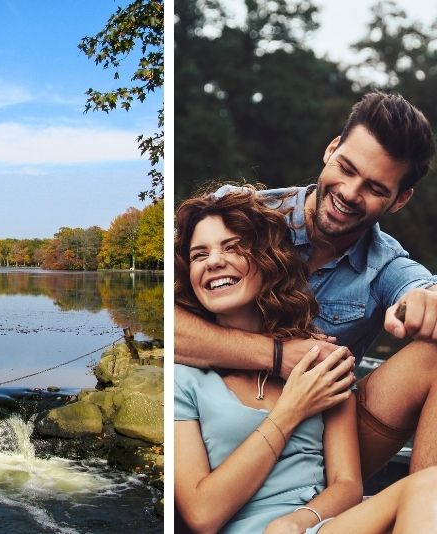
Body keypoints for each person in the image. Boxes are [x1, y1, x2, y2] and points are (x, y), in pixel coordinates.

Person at [175, 91, 437, 480]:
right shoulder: (240, 217)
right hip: (219, 426)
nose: (350, 193)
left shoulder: (387, 267)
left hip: (319, 442)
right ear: (331, 149)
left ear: (399, 200)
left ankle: (422, 506)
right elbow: (168, 317)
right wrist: (278, 354)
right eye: (346, 168)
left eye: (376, 188)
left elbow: (424, 289)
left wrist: (427, 302)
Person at [174, 188, 437, 533]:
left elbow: (347, 485)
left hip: (320, 526)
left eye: (232, 247)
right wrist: (292, 409)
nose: (214, 261)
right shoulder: (184, 380)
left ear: (266, 259)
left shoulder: (320, 361)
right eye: (198, 255)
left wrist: (298, 521)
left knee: (431, 485)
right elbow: (203, 515)